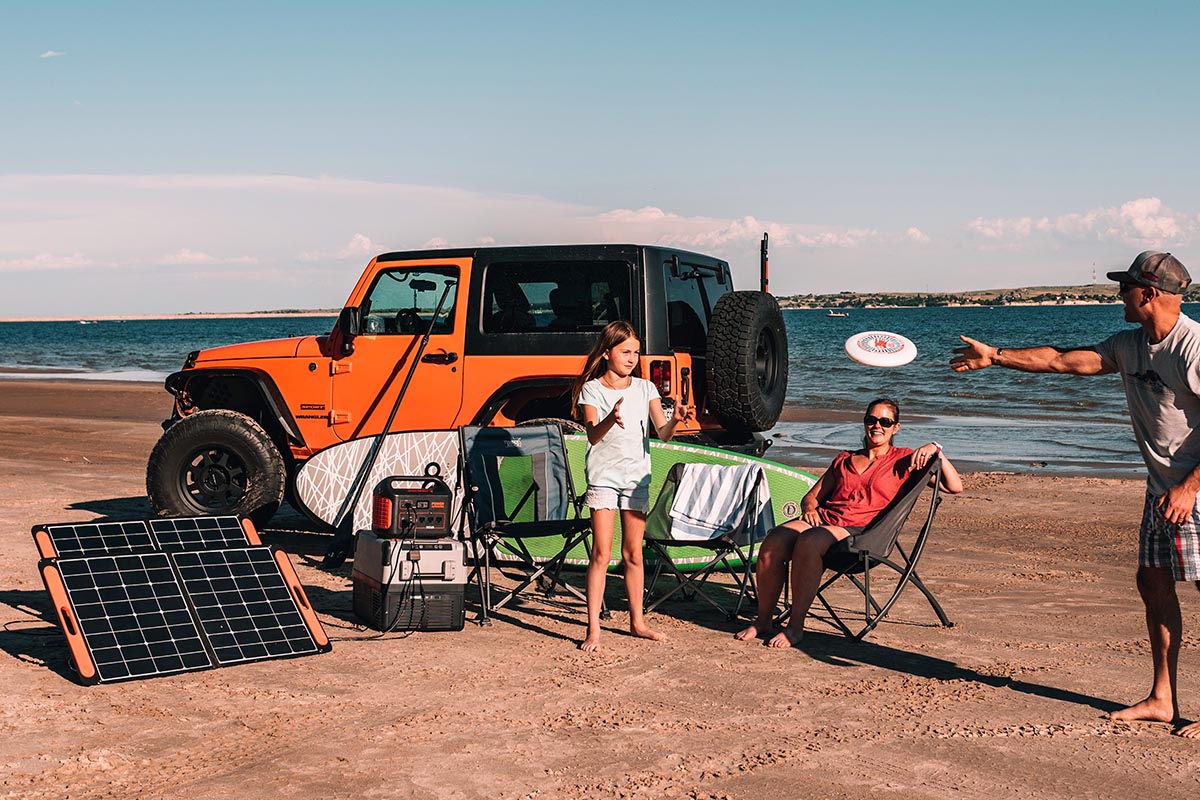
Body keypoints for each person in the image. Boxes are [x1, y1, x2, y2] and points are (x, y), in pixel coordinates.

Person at [950, 250, 1200, 737]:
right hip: (1162, 490)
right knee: (1153, 584)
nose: (1119, 295)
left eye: (1126, 287)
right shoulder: (1130, 345)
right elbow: (1061, 361)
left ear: (1149, 293)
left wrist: (1191, 487)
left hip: (1196, 488)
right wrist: (997, 357)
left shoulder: (1194, 348)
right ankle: (1163, 698)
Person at [736, 397, 963, 648]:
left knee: (809, 541)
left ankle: (795, 627)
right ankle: (764, 620)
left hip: (862, 533)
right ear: (865, 423)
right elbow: (811, 497)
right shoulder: (845, 459)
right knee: (774, 540)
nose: (877, 426)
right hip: (824, 521)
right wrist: (810, 508)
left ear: (895, 427)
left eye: (885, 421)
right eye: (871, 419)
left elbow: (954, 486)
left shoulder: (904, 460)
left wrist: (935, 447)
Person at [572, 320, 693, 651]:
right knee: (601, 553)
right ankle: (593, 629)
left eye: (636, 353)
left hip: (636, 478)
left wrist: (676, 419)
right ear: (607, 352)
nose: (632, 358)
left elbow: (662, 433)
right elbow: (593, 436)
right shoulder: (592, 390)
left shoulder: (646, 389)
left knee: (634, 554)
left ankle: (637, 622)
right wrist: (611, 417)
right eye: (625, 351)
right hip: (603, 479)